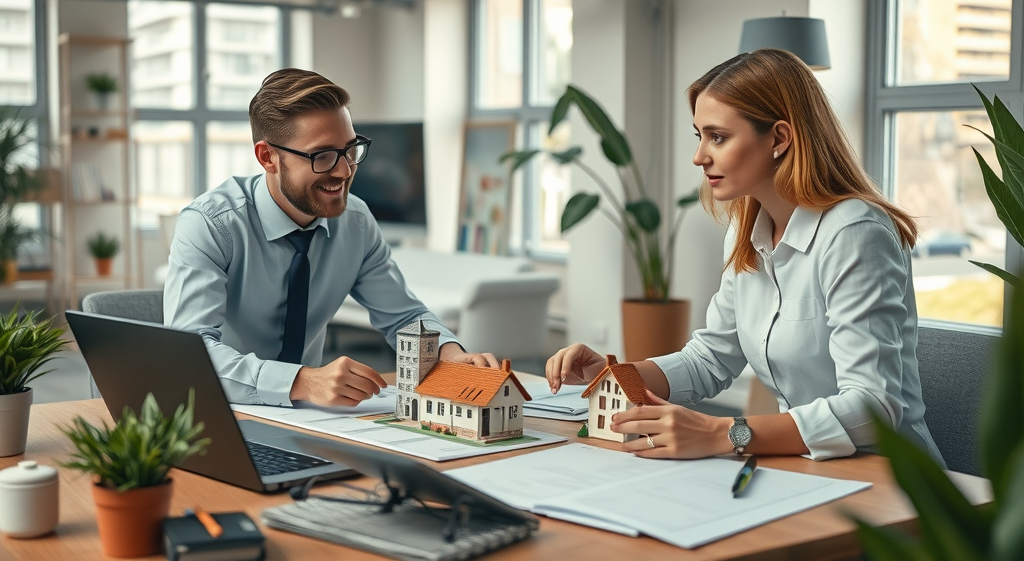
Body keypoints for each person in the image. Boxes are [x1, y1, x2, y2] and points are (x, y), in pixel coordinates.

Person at [546, 49, 945, 465]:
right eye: (699, 135)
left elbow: (871, 408)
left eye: (717, 137)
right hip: (801, 465)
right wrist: (613, 376)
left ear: (778, 138)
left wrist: (723, 432)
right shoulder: (746, 228)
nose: (700, 156)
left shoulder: (855, 232)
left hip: (891, 478)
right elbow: (709, 359)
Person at [165, 68, 499, 408]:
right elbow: (187, 354)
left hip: (310, 416)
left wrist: (449, 352)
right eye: (321, 156)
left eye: (350, 149)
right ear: (268, 157)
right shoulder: (210, 224)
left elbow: (403, 317)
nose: (344, 171)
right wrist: (301, 381)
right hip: (220, 410)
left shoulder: (355, 222)